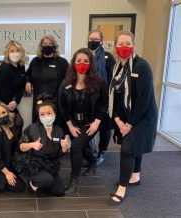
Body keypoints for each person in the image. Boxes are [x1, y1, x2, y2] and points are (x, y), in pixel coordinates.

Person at [108, 30, 157, 205]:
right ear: (115, 47)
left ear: (133, 45)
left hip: (143, 116)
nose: (124, 47)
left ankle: (122, 187)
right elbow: (115, 96)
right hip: (125, 117)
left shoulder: (142, 66)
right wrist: (118, 120)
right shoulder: (116, 68)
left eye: (128, 43)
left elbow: (144, 100)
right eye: (121, 44)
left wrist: (128, 124)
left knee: (128, 148)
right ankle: (135, 175)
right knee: (132, 145)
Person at [58, 48, 108, 194]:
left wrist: (97, 122)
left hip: (91, 123)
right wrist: (69, 125)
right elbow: (61, 105)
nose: (82, 63)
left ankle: (75, 180)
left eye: (86, 61)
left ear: (91, 63)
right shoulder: (66, 82)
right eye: (79, 60)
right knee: (81, 144)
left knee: (76, 146)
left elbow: (104, 104)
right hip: (72, 123)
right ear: (74, 63)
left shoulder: (99, 82)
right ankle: (92, 160)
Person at [12, 94, 70, 197]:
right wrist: (32, 145)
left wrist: (65, 149)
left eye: (49, 113)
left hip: (50, 165)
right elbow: (20, 147)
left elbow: (58, 154)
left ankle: (44, 182)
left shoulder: (59, 130)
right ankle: (32, 183)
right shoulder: (32, 128)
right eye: (42, 114)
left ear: (54, 114)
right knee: (47, 180)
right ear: (38, 116)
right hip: (34, 164)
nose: (46, 116)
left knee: (59, 191)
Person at [25, 35, 69, 124]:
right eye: (45, 44)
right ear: (41, 47)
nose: (47, 46)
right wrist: (28, 82)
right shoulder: (35, 61)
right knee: (39, 128)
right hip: (39, 101)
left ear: (54, 46)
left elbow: (69, 79)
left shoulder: (62, 62)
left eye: (50, 44)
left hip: (56, 102)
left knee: (56, 128)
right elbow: (28, 74)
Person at [87, 29, 116, 165]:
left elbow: (114, 78)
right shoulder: (85, 55)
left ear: (101, 41)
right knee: (88, 126)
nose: (93, 41)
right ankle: (90, 152)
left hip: (104, 97)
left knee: (104, 127)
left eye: (96, 39)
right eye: (91, 39)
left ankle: (102, 152)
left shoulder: (108, 57)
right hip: (88, 98)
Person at [0, 40, 26, 138]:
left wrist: (16, 101)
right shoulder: (4, 68)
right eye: (12, 51)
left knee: (18, 124)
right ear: (7, 53)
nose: (15, 53)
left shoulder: (21, 66)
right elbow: (3, 91)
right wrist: (10, 106)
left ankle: (16, 148)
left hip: (12, 102)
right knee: (13, 126)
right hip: (0, 103)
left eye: (17, 50)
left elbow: (21, 86)